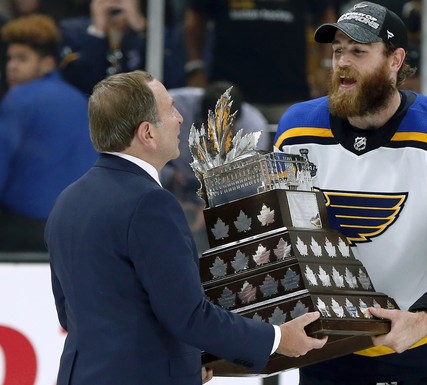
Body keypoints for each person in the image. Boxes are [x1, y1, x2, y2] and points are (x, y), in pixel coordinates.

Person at [44, 70, 327, 385]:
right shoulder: (150, 204)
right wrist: (278, 338)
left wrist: (180, 360)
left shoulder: (66, 202)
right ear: (147, 133)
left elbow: (70, 314)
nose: (180, 119)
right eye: (170, 110)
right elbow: (188, 316)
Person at [274, 2, 427, 384]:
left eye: (359, 51)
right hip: (334, 350)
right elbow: (287, 239)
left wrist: (424, 318)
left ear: (395, 60)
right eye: (337, 51)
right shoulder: (297, 130)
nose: (342, 62)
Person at [0, 14, 97, 251]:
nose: (12, 65)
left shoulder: (19, 98)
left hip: (26, 229)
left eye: (22, 58)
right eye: (10, 58)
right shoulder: (79, 99)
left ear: (47, 63)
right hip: (78, 230)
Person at [183, 0, 336, 124]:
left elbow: (325, 14)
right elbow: (195, 19)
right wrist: (195, 67)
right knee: (226, 160)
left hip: (288, 91)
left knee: (289, 157)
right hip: (231, 94)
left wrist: (326, 65)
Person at [162, 81, 272, 253]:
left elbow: (245, 185)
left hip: (224, 194)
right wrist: (168, 176)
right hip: (174, 184)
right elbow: (142, 147)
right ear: (201, 113)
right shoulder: (172, 106)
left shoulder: (254, 128)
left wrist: (208, 208)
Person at [58, 0, 183, 96]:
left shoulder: (155, 36)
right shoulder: (72, 31)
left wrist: (142, 29)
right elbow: (77, 83)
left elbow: (172, 81)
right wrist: (97, 33)